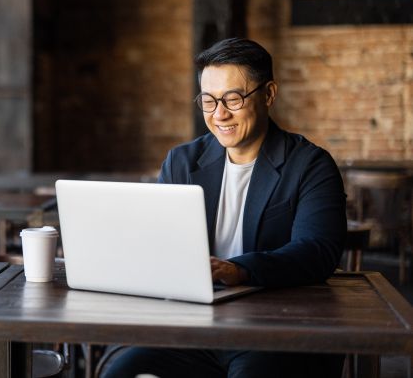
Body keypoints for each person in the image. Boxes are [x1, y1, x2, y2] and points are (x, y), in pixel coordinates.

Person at [101, 38, 347, 378]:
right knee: (121, 372)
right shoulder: (183, 163)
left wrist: (239, 270)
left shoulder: (309, 165)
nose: (220, 114)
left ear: (269, 94)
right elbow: (158, 245)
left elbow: (317, 251)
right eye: (208, 100)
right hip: (190, 324)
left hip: (270, 327)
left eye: (233, 98)